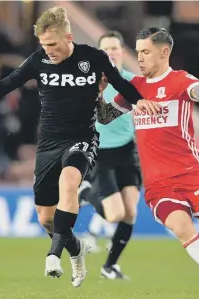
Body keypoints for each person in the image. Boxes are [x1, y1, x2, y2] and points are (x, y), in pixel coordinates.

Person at [0, 7, 155, 288]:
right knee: (46, 219)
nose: (49, 50)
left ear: (68, 36)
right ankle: (75, 249)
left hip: (83, 139)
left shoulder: (93, 58)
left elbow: (121, 86)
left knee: (70, 182)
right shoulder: (38, 60)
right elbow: (5, 85)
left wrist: (141, 102)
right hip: (49, 143)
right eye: (44, 45)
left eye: (53, 44)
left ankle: (53, 255)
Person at [96, 27, 199, 299]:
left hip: (192, 174)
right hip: (158, 185)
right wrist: (99, 91)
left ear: (164, 52)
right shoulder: (135, 88)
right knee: (183, 230)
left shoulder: (180, 81)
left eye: (145, 52)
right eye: (137, 52)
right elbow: (104, 118)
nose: (139, 58)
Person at [78, 31, 141, 280]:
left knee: (130, 213)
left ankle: (109, 267)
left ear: (123, 53)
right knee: (114, 214)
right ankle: (86, 193)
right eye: (106, 49)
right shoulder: (88, 83)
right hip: (100, 153)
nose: (111, 53)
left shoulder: (133, 82)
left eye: (115, 48)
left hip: (127, 150)